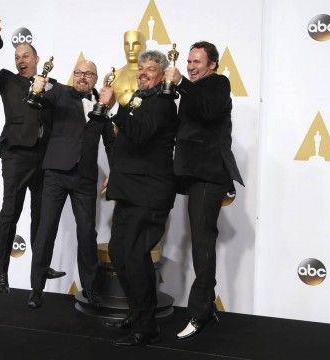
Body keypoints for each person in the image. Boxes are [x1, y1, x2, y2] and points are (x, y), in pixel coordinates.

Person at [164, 41, 244, 339]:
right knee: (200, 241)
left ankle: (200, 313)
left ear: (212, 65)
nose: (190, 66)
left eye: (197, 62)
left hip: (210, 176)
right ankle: (206, 306)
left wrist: (182, 83)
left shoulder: (218, 84)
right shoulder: (192, 90)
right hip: (191, 174)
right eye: (188, 61)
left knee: (202, 242)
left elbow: (209, 112)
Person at [0, 22, 64, 294]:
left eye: (26, 56)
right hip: (16, 155)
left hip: (45, 157)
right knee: (10, 213)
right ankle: (1, 272)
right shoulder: (6, 80)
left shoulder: (52, 85)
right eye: (17, 57)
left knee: (41, 215)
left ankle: (41, 265)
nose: (20, 60)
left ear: (37, 59)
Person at [100, 50, 177, 346]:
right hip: (130, 189)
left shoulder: (162, 103)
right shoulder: (142, 101)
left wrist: (115, 108)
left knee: (134, 256)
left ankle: (147, 326)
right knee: (121, 253)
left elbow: (141, 134)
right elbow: (130, 143)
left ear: (163, 74)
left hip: (148, 193)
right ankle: (138, 313)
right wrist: (115, 174)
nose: (143, 72)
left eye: (151, 69)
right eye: (141, 68)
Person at [27, 60, 115, 309]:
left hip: (85, 177)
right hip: (55, 172)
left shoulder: (103, 103)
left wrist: (115, 171)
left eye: (88, 74)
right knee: (46, 230)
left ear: (96, 78)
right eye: (78, 72)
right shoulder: (59, 93)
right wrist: (36, 88)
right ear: (73, 75)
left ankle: (89, 288)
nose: (82, 77)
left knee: (87, 233)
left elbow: (109, 140)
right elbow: (38, 102)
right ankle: (36, 288)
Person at [112, 30, 146, 106]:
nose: (130, 49)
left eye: (135, 44)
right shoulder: (112, 77)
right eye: (127, 44)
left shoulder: (152, 77)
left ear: (143, 46)